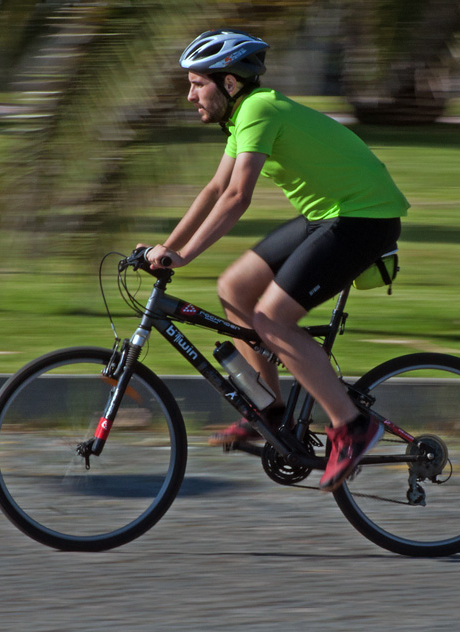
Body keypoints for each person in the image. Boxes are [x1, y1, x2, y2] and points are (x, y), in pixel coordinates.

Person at [143, 29, 410, 492]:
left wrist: (183, 256)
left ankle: (352, 426)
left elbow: (235, 197)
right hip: (328, 214)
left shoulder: (258, 109)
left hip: (364, 216)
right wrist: (164, 249)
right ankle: (269, 410)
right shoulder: (245, 114)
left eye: (197, 83)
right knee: (234, 288)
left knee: (272, 319)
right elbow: (213, 189)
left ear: (229, 83)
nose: (189, 95)